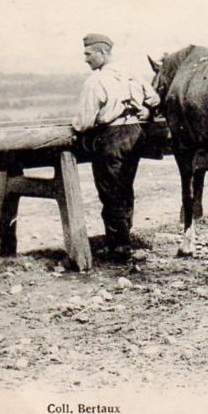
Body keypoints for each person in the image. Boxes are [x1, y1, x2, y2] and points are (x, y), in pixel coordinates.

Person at [72, 33, 160, 260]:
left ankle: (120, 247)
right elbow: (155, 99)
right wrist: (147, 111)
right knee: (125, 188)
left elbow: (82, 123)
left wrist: (79, 127)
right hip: (136, 134)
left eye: (88, 54)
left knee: (111, 192)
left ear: (102, 53)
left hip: (112, 137)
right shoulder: (131, 74)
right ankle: (122, 240)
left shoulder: (95, 82)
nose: (86, 59)